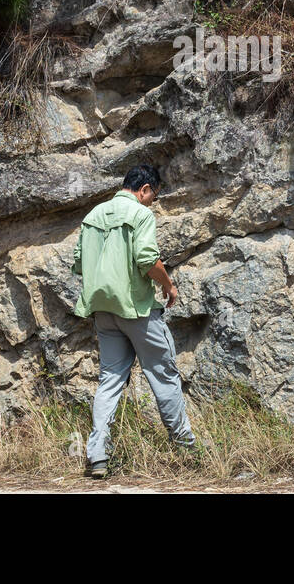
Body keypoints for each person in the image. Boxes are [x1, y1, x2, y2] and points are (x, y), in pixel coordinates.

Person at [71, 164, 195, 478]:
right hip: (137, 311)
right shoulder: (141, 215)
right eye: (153, 195)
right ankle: (187, 447)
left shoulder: (93, 216)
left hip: (103, 311)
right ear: (145, 189)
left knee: (110, 381)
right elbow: (146, 259)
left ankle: (97, 457)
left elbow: (77, 262)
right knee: (163, 374)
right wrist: (169, 285)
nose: (151, 202)